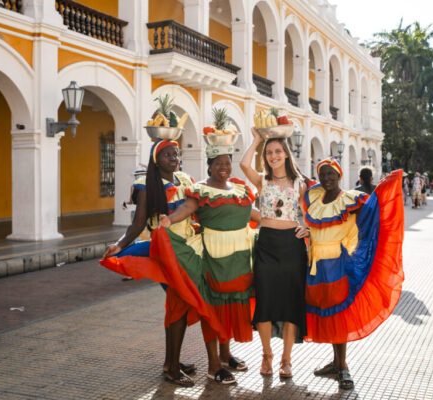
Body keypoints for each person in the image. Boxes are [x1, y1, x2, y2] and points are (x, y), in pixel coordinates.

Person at [156, 143, 258, 384]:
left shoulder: (241, 189)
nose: (224, 167)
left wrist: (284, 224)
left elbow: (255, 215)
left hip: (240, 257)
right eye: (218, 163)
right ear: (209, 165)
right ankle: (213, 366)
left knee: (229, 306)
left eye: (227, 162)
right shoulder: (200, 189)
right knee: (213, 308)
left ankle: (225, 356)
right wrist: (169, 220)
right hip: (212, 255)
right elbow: (186, 208)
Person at [100, 139, 197, 386]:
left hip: (188, 250)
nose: (174, 158)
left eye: (176, 154)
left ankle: (171, 361)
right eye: (167, 155)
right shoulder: (146, 184)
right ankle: (172, 368)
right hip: (166, 251)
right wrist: (120, 245)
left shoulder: (184, 180)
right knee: (178, 305)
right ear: (157, 159)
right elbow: (138, 223)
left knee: (179, 306)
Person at [304, 158, 404, 391]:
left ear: (339, 175)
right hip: (316, 266)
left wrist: (386, 187)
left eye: (331, 174)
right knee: (327, 314)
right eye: (323, 174)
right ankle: (336, 363)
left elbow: (373, 211)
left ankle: (342, 366)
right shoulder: (315, 198)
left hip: (339, 264)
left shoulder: (350, 199)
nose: (327, 178)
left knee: (338, 314)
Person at [240, 128, 310, 378]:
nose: (273, 156)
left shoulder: (300, 183)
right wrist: (258, 139)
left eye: (278, 151)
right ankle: (267, 355)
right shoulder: (262, 180)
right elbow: (243, 163)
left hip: (292, 246)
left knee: (292, 302)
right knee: (266, 300)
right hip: (267, 243)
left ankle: (287, 359)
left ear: (287, 154)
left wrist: (309, 229)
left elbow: (311, 213)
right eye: (269, 153)